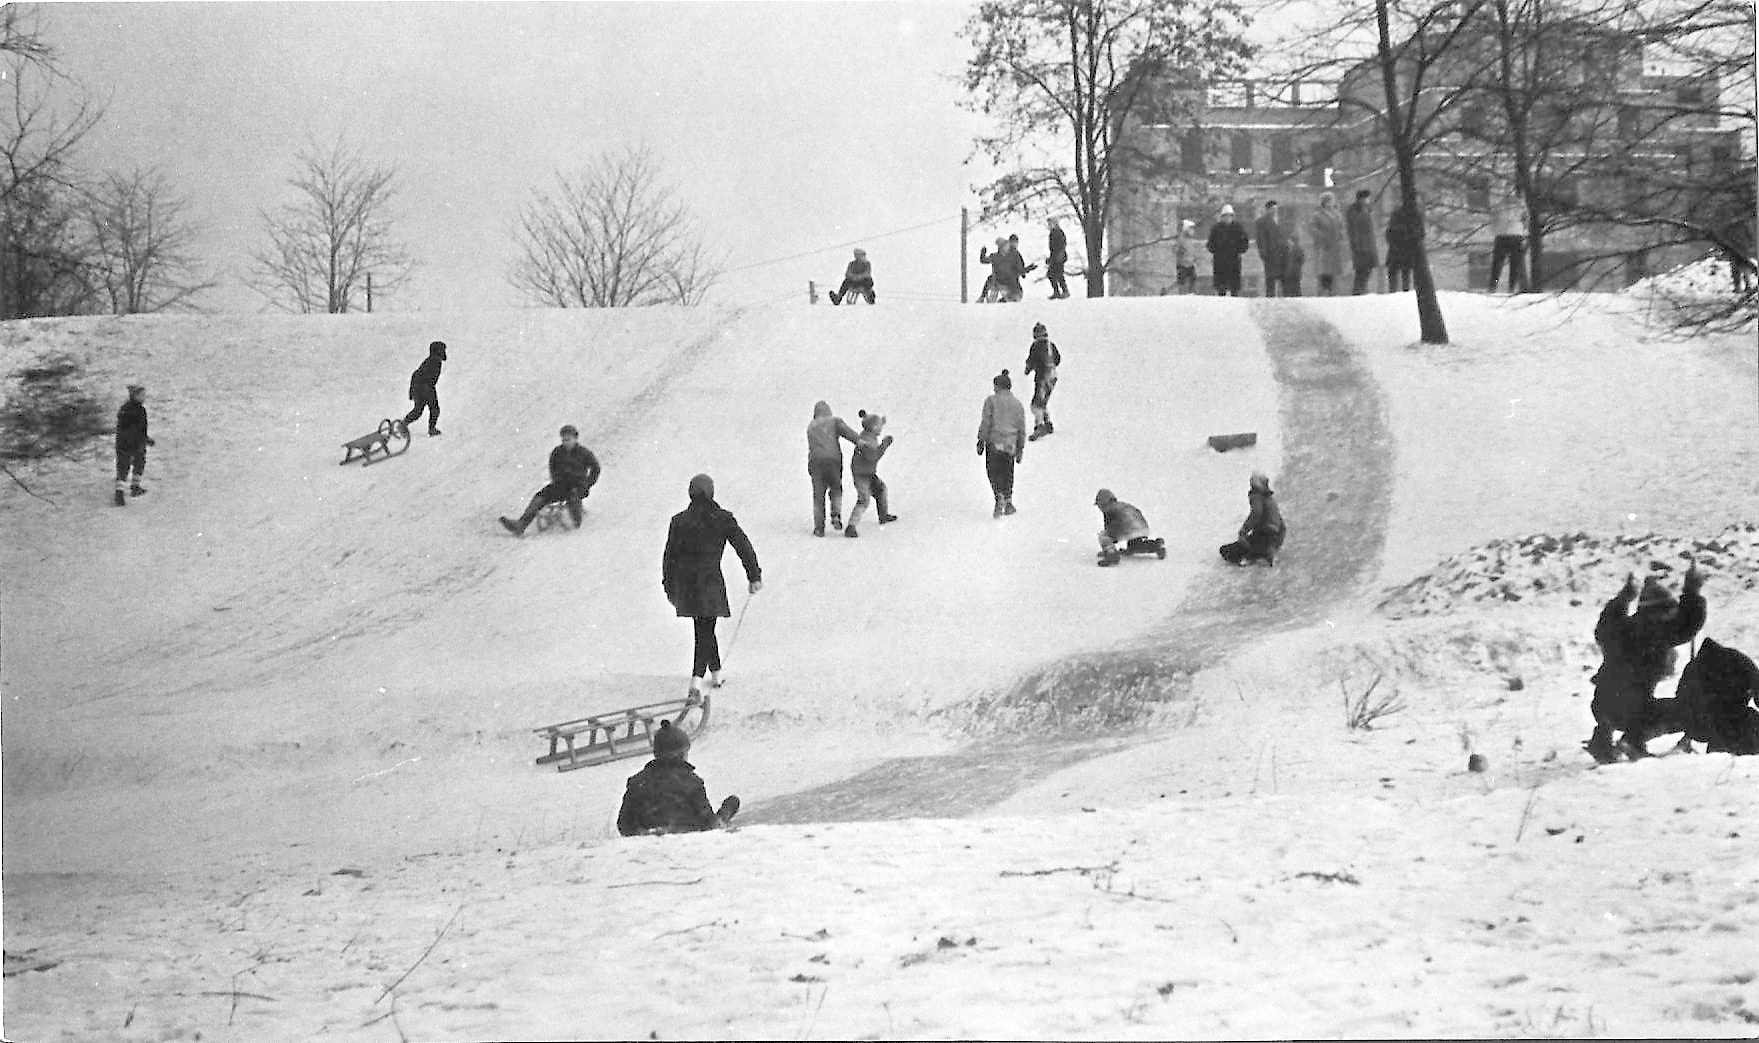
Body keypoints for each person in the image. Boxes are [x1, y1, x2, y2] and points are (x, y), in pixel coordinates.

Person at [1584, 567, 1706, 763]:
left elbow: (1605, 624)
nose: (1670, 617)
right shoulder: (1655, 632)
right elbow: (1688, 623)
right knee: (1685, 711)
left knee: (1629, 706)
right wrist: (1691, 590)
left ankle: (1604, 736)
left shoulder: (1621, 628)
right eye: (1669, 612)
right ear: (1660, 612)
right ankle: (1633, 740)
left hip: (1602, 705)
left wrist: (1623, 598)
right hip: (1632, 708)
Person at [662, 473, 762, 702]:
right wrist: (754, 575)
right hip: (710, 580)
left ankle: (715, 673)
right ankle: (696, 682)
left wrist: (668, 585)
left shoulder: (679, 521)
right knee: (705, 629)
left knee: (703, 626)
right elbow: (743, 546)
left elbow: (669, 556)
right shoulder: (722, 518)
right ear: (711, 493)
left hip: (686, 583)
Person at [616, 719, 740, 837]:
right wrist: (725, 814)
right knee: (732, 802)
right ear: (682, 754)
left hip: (645, 844)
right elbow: (708, 823)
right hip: (684, 843)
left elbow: (624, 825)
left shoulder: (638, 782)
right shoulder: (691, 782)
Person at [498, 424, 601, 536]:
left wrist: (587, 483)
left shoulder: (584, 453)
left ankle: (576, 524)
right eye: (564, 440)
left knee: (573, 497)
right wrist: (556, 480)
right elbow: (553, 469)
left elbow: (596, 468)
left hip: (578, 486)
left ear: (575, 439)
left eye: (569, 440)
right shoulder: (557, 452)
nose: (566, 442)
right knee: (540, 497)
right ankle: (521, 525)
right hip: (561, 485)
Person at [976, 369, 1027, 518]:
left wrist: (981, 440)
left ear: (998, 386)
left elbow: (986, 422)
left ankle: (998, 495)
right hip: (1010, 443)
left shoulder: (991, 401)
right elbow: (1021, 428)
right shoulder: (1018, 404)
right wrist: (1020, 448)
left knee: (993, 471)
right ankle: (1009, 500)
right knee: (1008, 471)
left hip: (994, 442)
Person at [806, 400, 859, 536]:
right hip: (833, 460)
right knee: (836, 488)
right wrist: (859, 441)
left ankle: (819, 527)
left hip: (816, 462)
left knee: (818, 496)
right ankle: (836, 515)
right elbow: (847, 433)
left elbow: (812, 448)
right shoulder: (834, 421)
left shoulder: (811, 427)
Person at [845, 410, 896, 538]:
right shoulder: (866, 441)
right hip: (861, 474)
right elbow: (873, 456)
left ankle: (883, 515)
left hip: (868, 472)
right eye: (879, 426)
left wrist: (881, 422)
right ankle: (851, 526)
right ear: (873, 427)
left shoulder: (869, 436)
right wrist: (884, 445)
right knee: (864, 500)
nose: (881, 429)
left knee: (881, 490)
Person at [1219, 471, 1285, 566]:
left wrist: (1244, 530)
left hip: (1263, 534)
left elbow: (1256, 514)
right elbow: (1281, 525)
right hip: (1273, 536)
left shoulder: (1257, 496)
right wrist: (1276, 542)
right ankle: (1264, 551)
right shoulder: (1270, 499)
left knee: (1226, 550)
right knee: (1254, 544)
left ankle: (1256, 555)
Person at [1093, 488, 1164, 566]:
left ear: (1104, 503)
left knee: (1103, 536)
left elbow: (1109, 527)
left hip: (1127, 528)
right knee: (1135, 546)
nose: (1100, 508)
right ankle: (1156, 545)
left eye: (1099, 505)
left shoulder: (1109, 510)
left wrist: (1111, 542)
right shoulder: (1124, 505)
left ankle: (1111, 554)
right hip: (1142, 528)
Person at [112, 383, 154, 507]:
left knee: (129, 465)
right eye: (141, 395)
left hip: (127, 443)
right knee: (131, 465)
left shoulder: (129, 409)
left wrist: (146, 439)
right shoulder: (135, 410)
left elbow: (140, 429)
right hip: (131, 443)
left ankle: (127, 489)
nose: (144, 397)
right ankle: (125, 491)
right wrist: (142, 439)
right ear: (134, 396)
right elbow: (135, 429)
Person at [1023, 322, 1061, 441]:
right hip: (1053, 375)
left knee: (1035, 404)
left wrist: (1028, 369)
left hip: (1042, 376)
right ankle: (1048, 423)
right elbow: (1058, 358)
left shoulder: (1036, 346)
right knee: (1043, 400)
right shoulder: (1050, 345)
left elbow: (1031, 361)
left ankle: (1039, 425)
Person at [403, 340, 446, 436]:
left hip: (420, 387)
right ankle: (432, 429)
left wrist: (413, 390)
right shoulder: (434, 361)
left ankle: (403, 424)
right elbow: (424, 376)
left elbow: (416, 374)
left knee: (418, 410)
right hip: (426, 388)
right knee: (434, 409)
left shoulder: (431, 360)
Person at [1487, 193, 1528, 294]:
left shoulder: (1521, 206)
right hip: (1502, 235)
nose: (1510, 193)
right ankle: (1493, 286)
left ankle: (1511, 288)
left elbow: (1526, 220)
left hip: (1515, 236)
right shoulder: (1499, 206)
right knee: (1497, 265)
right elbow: (1493, 219)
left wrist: (1523, 231)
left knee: (1514, 265)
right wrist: (1495, 230)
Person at [1308, 192, 1347, 296]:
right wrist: (1321, 236)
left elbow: (1342, 226)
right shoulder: (1317, 215)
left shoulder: (1337, 214)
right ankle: (1323, 289)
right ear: (1324, 202)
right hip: (1323, 247)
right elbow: (1312, 228)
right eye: (1328, 201)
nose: (1330, 203)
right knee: (1324, 270)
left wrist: (1341, 235)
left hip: (1335, 246)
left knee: (1334, 270)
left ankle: (1333, 290)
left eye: (1332, 200)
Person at [1207, 204, 1249, 296]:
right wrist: (1216, 251)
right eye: (1225, 216)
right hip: (1220, 261)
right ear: (1222, 217)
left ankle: (1235, 300)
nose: (1227, 218)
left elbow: (1245, 241)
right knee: (1221, 286)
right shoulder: (1216, 228)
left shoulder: (1238, 228)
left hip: (1234, 260)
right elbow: (1210, 244)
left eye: (1229, 216)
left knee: (1234, 285)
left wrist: (1240, 250)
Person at [1345, 190, 1380, 295]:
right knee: (1361, 270)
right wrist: (1357, 244)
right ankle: (1358, 290)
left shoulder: (1365, 210)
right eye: (1366, 198)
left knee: (1367, 269)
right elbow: (1354, 227)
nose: (1368, 200)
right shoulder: (1354, 211)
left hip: (1368, 244)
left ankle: (1362, 289)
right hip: (1360, 245)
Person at [1254, 201, 1290, 297]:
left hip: (1283, 253)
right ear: (1267, 210)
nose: (1274, 211)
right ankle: (1270, 298)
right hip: (1270, 253)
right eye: (1272, 209)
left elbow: (1284, 236)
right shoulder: (1261, 222)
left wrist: (1287, 247)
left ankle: (1284, 297)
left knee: (1284, 277)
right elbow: (1260, 239)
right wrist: (1263, 253)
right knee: (1270, 277)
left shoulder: (1281, 221)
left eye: (1276, 209)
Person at [1384, 202, 1421, 292]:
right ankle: (1403, 293)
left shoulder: (1396, 216)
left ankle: (1393, 293)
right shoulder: (1414, 215)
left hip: (1396, 250)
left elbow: (1388, 234)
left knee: (1394, 275)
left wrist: (1393, 244)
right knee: (1405, 275)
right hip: (1405, 250)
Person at [977, 236, 1008, 303]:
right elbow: (983, 260)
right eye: (1005, 246)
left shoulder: (1008, 257)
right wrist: (983, 253)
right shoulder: (996, 257)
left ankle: (983, 297)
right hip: (998, 282)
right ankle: (982, 297)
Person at [1174, 219, 1201, 294]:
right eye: (1191, 229)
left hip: (1190, 264)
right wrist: (1180, 252)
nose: (1192, 231)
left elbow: (1192, 252)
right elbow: (1175, 249)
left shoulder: (1191, 241)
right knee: (1182, 280)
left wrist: (1195, 259)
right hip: (1182, 264)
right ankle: (1181, 292)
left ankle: (1191, 292)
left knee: (1193, 278)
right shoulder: (1181, 239)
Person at [1046, 217, 1070, 299]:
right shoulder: (1053, 233)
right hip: (1055, 257)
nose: (1049, 225)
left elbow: (1060, 246)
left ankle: (1064, 291)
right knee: (1052, 274)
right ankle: (1057, 291)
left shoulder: (1058, 233)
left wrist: (1058, 255)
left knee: (1058, 274)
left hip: (1059, 257)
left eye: (1050, 224)